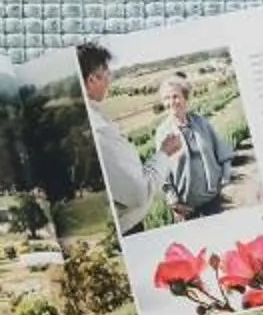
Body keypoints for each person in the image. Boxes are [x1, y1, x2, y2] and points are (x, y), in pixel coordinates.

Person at [75, 42, 159, 234]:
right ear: (92, 80)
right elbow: (138, 194)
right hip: (126, 229)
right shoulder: (100, 131)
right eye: (106, 73)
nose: (109, 79)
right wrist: (163, 155)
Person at [145, 71, 233, 222]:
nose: (171, 102)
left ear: (185, 98)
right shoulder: (163, 132)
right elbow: (163, 170)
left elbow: (222, 151)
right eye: (166, 98)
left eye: (175, 96)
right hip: (186, 207)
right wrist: (173, 201)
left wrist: (225, 178)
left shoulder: (201, 122)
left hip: (213, 199)